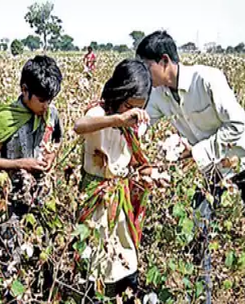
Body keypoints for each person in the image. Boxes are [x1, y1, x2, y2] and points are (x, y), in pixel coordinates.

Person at [136, 31, 245, 304]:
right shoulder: (158, 95)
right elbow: (144, 122)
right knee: (198, 230)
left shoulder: (207, 79)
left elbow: (237, 127)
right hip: (211, 168)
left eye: (147, 68)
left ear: (164, 61)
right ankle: (202, 299)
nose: (145, 76)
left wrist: (196, 151)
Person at [73, 59, 152, 302]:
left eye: (139, 107)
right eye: (128, 105)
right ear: (118, 93)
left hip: (119, 196)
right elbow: (79, 126)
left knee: (123, 256)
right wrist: (117, 120)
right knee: (94, 255)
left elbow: (134, 161)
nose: (133, 113)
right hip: (94, 196)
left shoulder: (136, 123)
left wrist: (149, 176)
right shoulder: (98, 114)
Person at [0, 55, 63, 217]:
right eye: (41, 100)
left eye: (50, 100)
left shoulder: (52, 113)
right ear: (25, 90)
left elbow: (57, 138)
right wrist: (21, 164)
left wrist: (51, 155)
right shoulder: (8, 118)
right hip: (12, 198)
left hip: (41, 194)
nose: (46, 106)